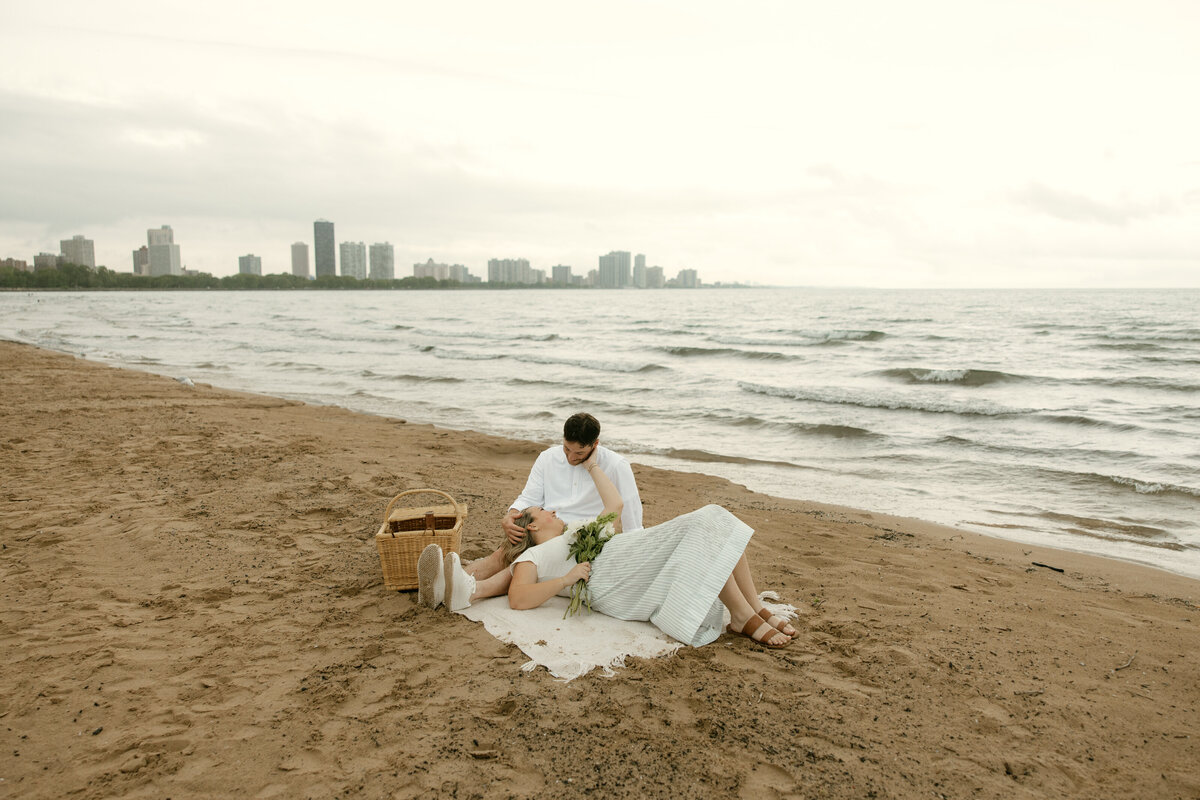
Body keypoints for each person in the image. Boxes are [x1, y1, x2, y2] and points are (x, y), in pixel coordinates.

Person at [426, 443, 797, 649]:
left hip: (628, 556)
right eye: (544, 510)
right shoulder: (539, 553)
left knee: (715, 521)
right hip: (614, 581)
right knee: (703, 526)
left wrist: (591, 465)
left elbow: (616, 507)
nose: (554, 508)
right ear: (534, 527)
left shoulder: (577, 531)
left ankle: (753, 608)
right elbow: (519, 598)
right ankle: (742, 617)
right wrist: (567, 578)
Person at [418, 413, 643, 611]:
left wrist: (629, 558)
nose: (571, 457)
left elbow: (631, 517)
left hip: (583, 539)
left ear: (595, 444)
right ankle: (446, 584)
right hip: (545, 524)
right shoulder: (548, 458)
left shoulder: (616, 465)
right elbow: (528, 498)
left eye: (579, 452)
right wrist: (512, 515)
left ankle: (462, 588)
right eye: (566, 449)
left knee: (524, 559)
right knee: (504, 551)